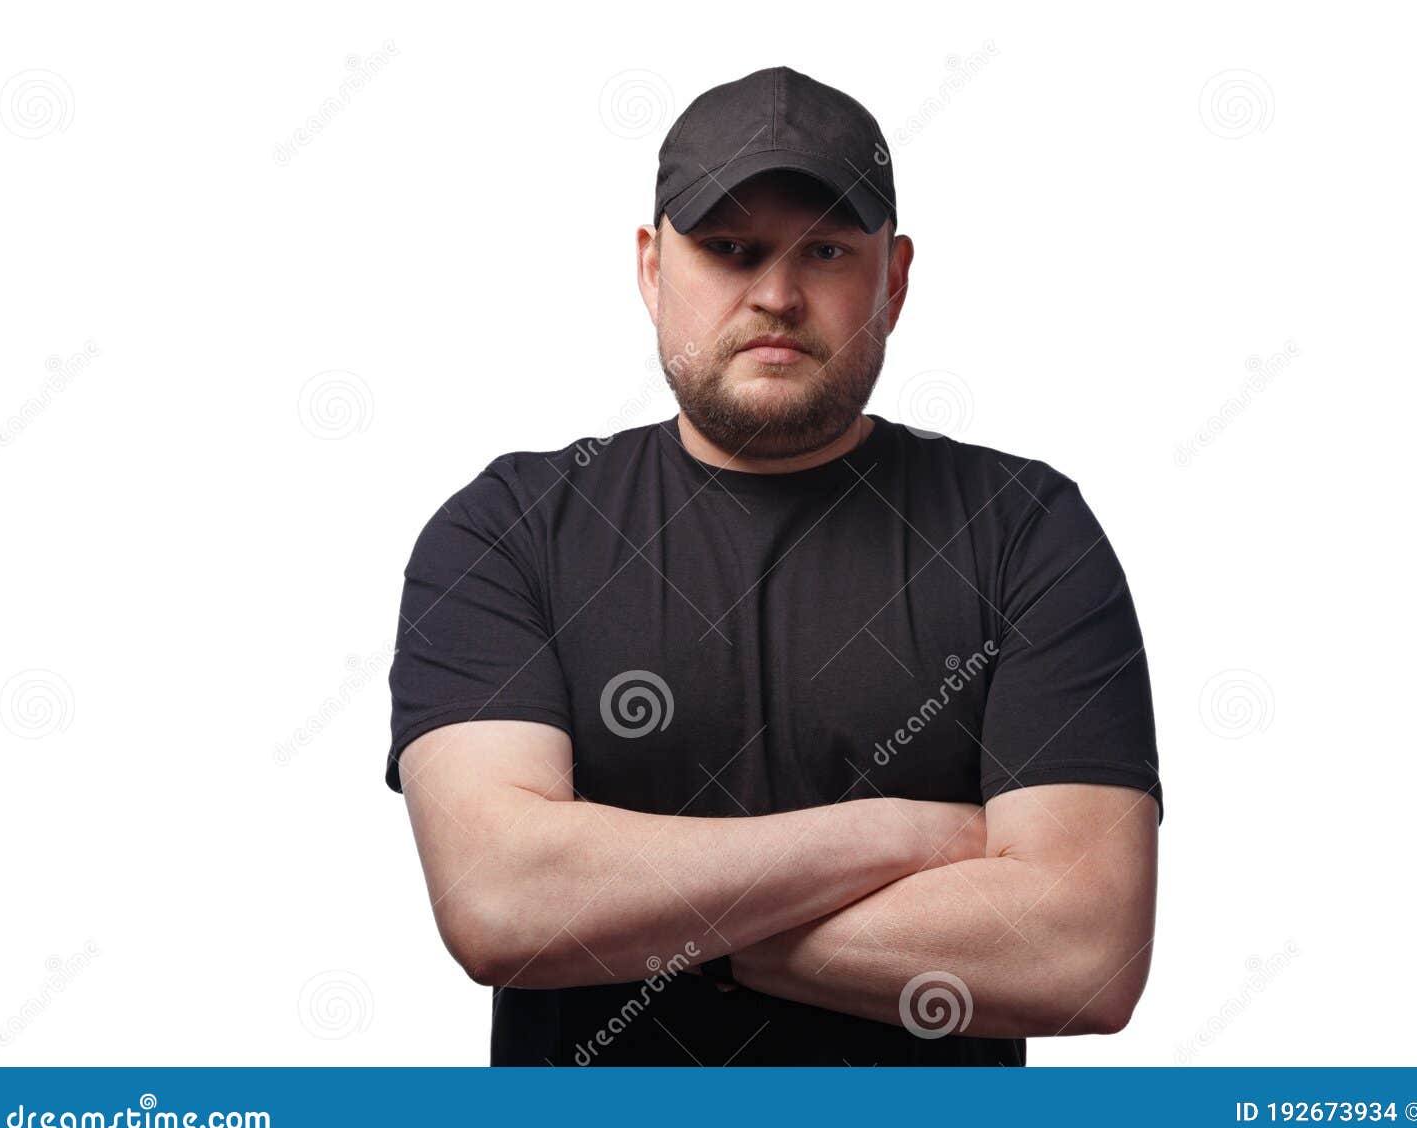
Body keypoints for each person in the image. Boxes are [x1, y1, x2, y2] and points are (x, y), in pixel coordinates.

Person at [385, 65, 1163, 1066]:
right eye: (727, 249)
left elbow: (1081, 953)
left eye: (827, 250)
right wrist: (904, 836)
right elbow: (499, 901)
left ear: (894, 276)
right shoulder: (508, 527)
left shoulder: (1024, 528)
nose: (776, 294)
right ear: (651, 267)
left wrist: (652, 917)